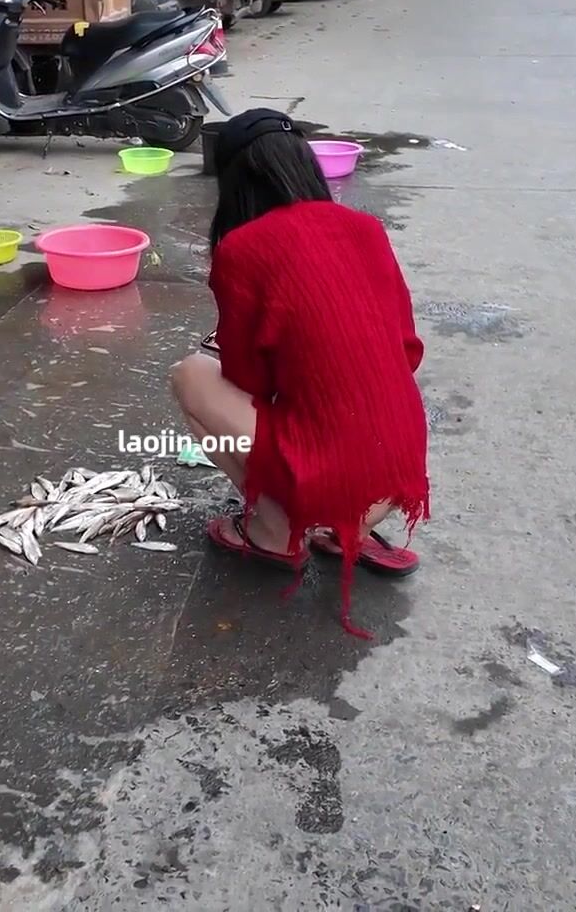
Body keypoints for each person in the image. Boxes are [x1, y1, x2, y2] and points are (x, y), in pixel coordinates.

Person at [169, 109, 431, 638]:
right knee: (354, 412)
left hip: (331, 471)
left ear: (235, 181)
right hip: (395, 467)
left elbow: (247, 379)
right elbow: (407, 347)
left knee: (191, 374)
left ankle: (273, 532)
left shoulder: (241, 249)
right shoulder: (365, 228)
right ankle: (350, 528)